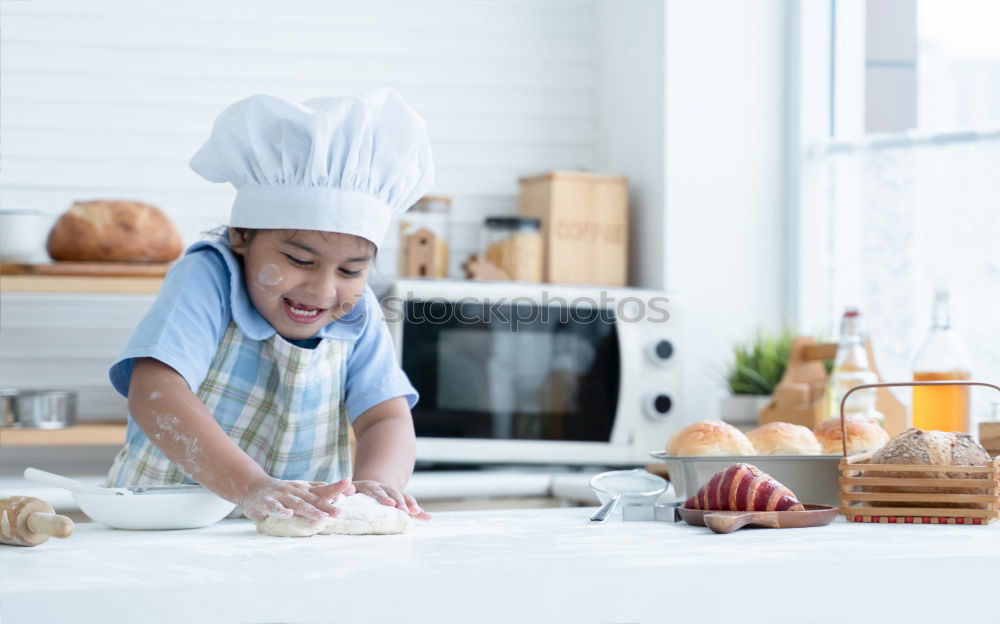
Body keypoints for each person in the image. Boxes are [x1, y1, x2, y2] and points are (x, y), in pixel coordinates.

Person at [104, 89, 434, 523]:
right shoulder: (208, 277)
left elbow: (384, 417)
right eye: (299, 260)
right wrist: (251, 487)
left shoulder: (357, 311)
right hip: (165, 523)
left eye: (351, 270)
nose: (323, 289)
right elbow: (155, 394)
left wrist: (376, 486)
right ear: (242, 236)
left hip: (301, 533)